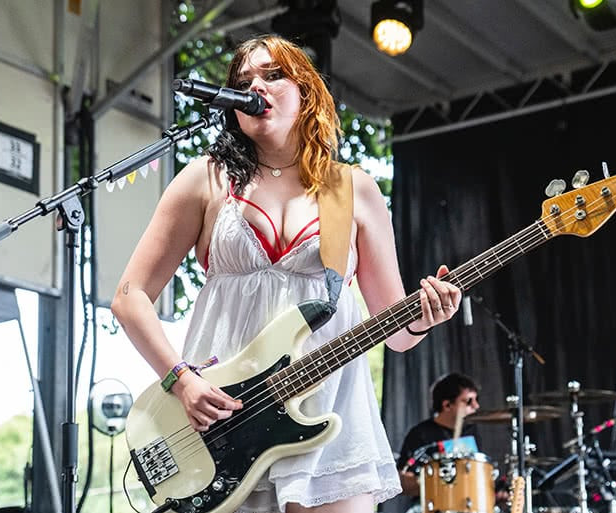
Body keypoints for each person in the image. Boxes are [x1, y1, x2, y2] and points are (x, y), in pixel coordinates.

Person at [111, 35, 462, 513]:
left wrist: (427, 315)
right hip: (223, 423)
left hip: (330, 416)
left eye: (273, 75)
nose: (255, 87)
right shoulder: (206, 179)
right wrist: (181, 379)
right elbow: (129, 296)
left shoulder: (353, 189)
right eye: (243, 82)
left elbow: (397, 333)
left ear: (306, 91)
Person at [396, 373, 482, 499]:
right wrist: (435, 482)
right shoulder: (420, 434)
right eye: (469, 401)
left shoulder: (471, 431)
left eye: (476, 400)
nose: (476, 406)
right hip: (431, 503)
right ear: (447, 405)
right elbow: (403, 480)